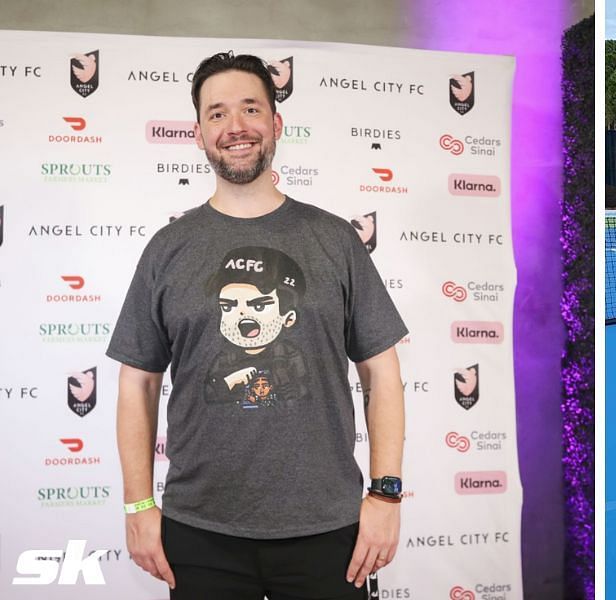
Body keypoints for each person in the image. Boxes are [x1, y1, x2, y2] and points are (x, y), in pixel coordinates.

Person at [109, 52, 409, 600]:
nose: (235, 127)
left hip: (327, 529)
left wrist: (386, 495)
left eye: (250, 108)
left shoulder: (335, 240)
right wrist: (138, 506)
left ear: (275, 124)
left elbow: (382, 373)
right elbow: (138, 382)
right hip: (199, 532)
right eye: (217, 113)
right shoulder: (168, 249)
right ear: (198, 133)